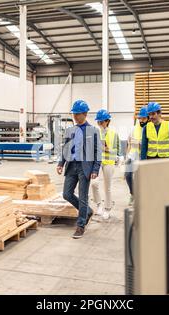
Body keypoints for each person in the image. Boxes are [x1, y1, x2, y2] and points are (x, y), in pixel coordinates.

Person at [57, 100, 102, 239]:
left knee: (83, 197)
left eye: (77, 114)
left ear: (85, 114)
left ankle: (81, 225)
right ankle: (87, 211)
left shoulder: (93, 131)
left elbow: (97, 151)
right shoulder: (71, 130)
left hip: (85, 167)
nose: (75, 116)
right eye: (73, 114)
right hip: (71, 166)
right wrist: (60, 163)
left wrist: (95, 169)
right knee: (66, 194)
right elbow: (66, 148)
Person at [90, 109, 121, 221]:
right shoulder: (95, 132)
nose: (99, 124)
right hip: (97, 162)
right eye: (98, 122)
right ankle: (99, 205)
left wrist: (108, 150)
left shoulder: (114, 132)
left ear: (107, 121)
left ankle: (107, 209)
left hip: (109, 162)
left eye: (101, 122)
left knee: (107, 187)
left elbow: (118, 150)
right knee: (94, 184)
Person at [125, 106, 149, 205]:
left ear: (148, 118)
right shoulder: (133, 128)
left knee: (140, 178)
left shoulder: (150, 128)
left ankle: (142, 197)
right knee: (127, 175)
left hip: (144, 157)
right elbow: (128, 143)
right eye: (140, 118)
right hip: (132, 155)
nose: (141, 120)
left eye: (143, 118)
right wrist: (126, 156)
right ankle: (132, 194)